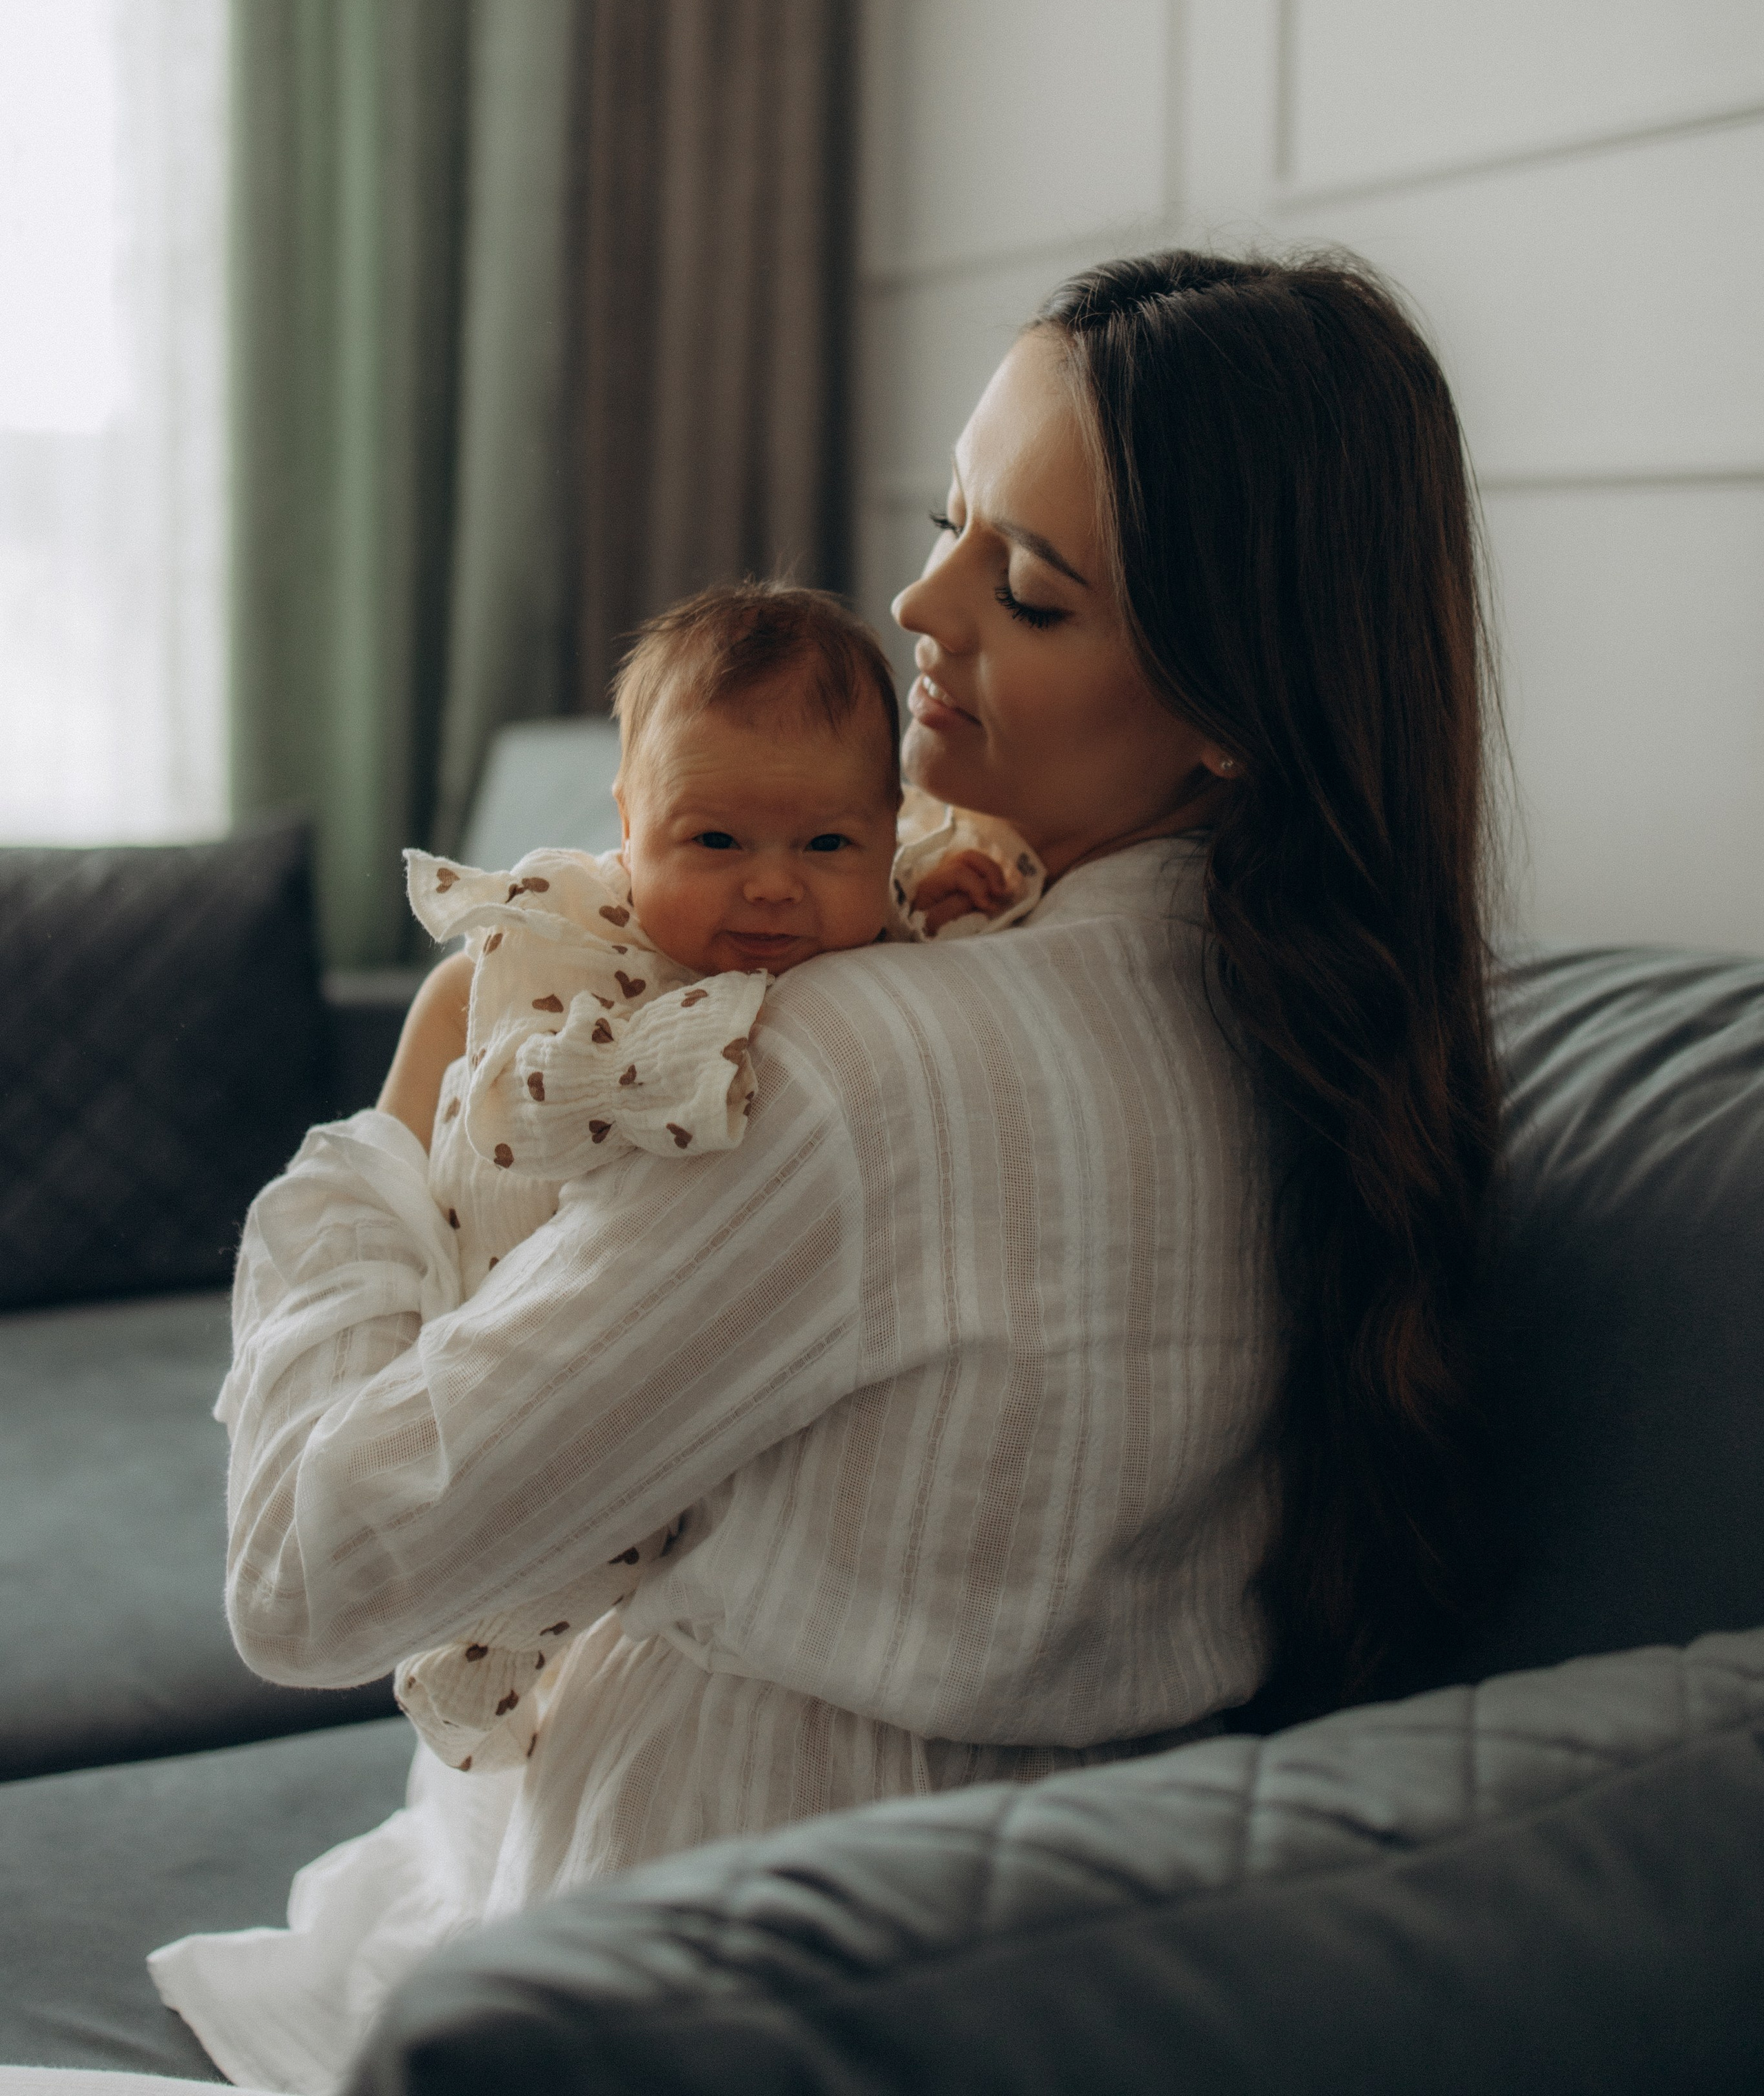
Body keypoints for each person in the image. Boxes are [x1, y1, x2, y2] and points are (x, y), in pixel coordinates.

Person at [150, 248, 1500, 2095]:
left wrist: (397, 1120)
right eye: (954, 525)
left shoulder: (844, 1074)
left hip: (689, 1960)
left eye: (1027, 589)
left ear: (1230, 709)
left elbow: (305, 1574)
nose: (919, 600)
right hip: (1070, 1965)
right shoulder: (1333, 1036)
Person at [391, 581, 1044, 1776]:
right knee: (497, 1510)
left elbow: (889, 929)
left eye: (830, 844)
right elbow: (468, 1105)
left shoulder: (865, 953)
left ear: (887, 831)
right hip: (502, 1291)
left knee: (614, 1537)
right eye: (716, 841)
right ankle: (469, 1663)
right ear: (628, 824)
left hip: (681, 1373)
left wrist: (928, 904)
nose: (773, 887)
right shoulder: (577, 954)